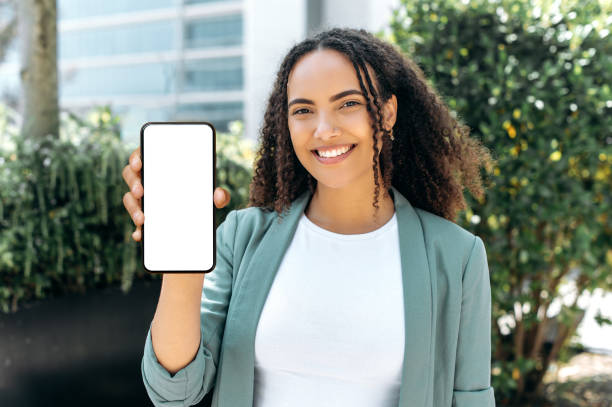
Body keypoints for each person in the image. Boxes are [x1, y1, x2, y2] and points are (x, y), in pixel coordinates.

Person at [123, 27, 497, 407]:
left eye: (348, 103)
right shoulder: (243, 235)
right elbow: (174, 391)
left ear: (386, 114)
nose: (324, 130)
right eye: (303, 110)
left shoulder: (456, 257)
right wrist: (182, 265)